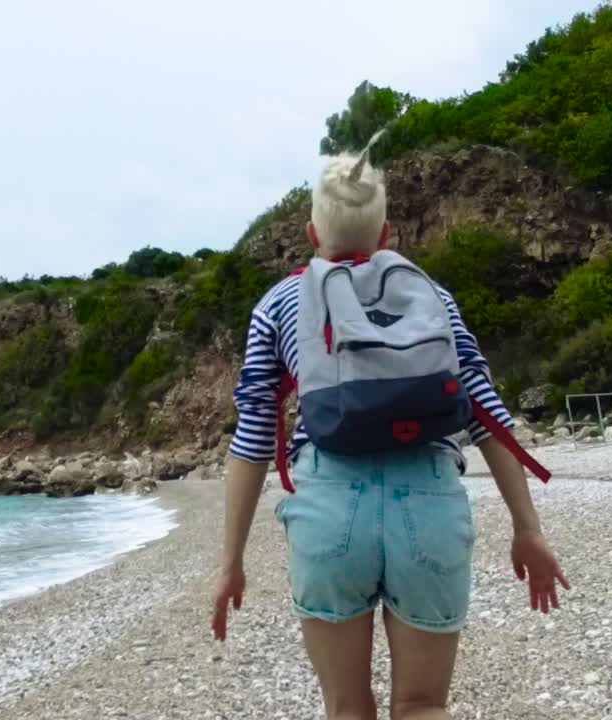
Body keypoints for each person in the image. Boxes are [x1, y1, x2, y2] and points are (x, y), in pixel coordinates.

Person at [210, 139, 570, 720]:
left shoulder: (278, 304)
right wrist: (528, 528)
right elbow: (485, 413)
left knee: (347, 709)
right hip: (428, 503)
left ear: (312, 233)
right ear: (386, 235)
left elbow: (252, 437)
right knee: (424, 705)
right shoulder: (432, 298)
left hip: (329, 510)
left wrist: (231, 562)